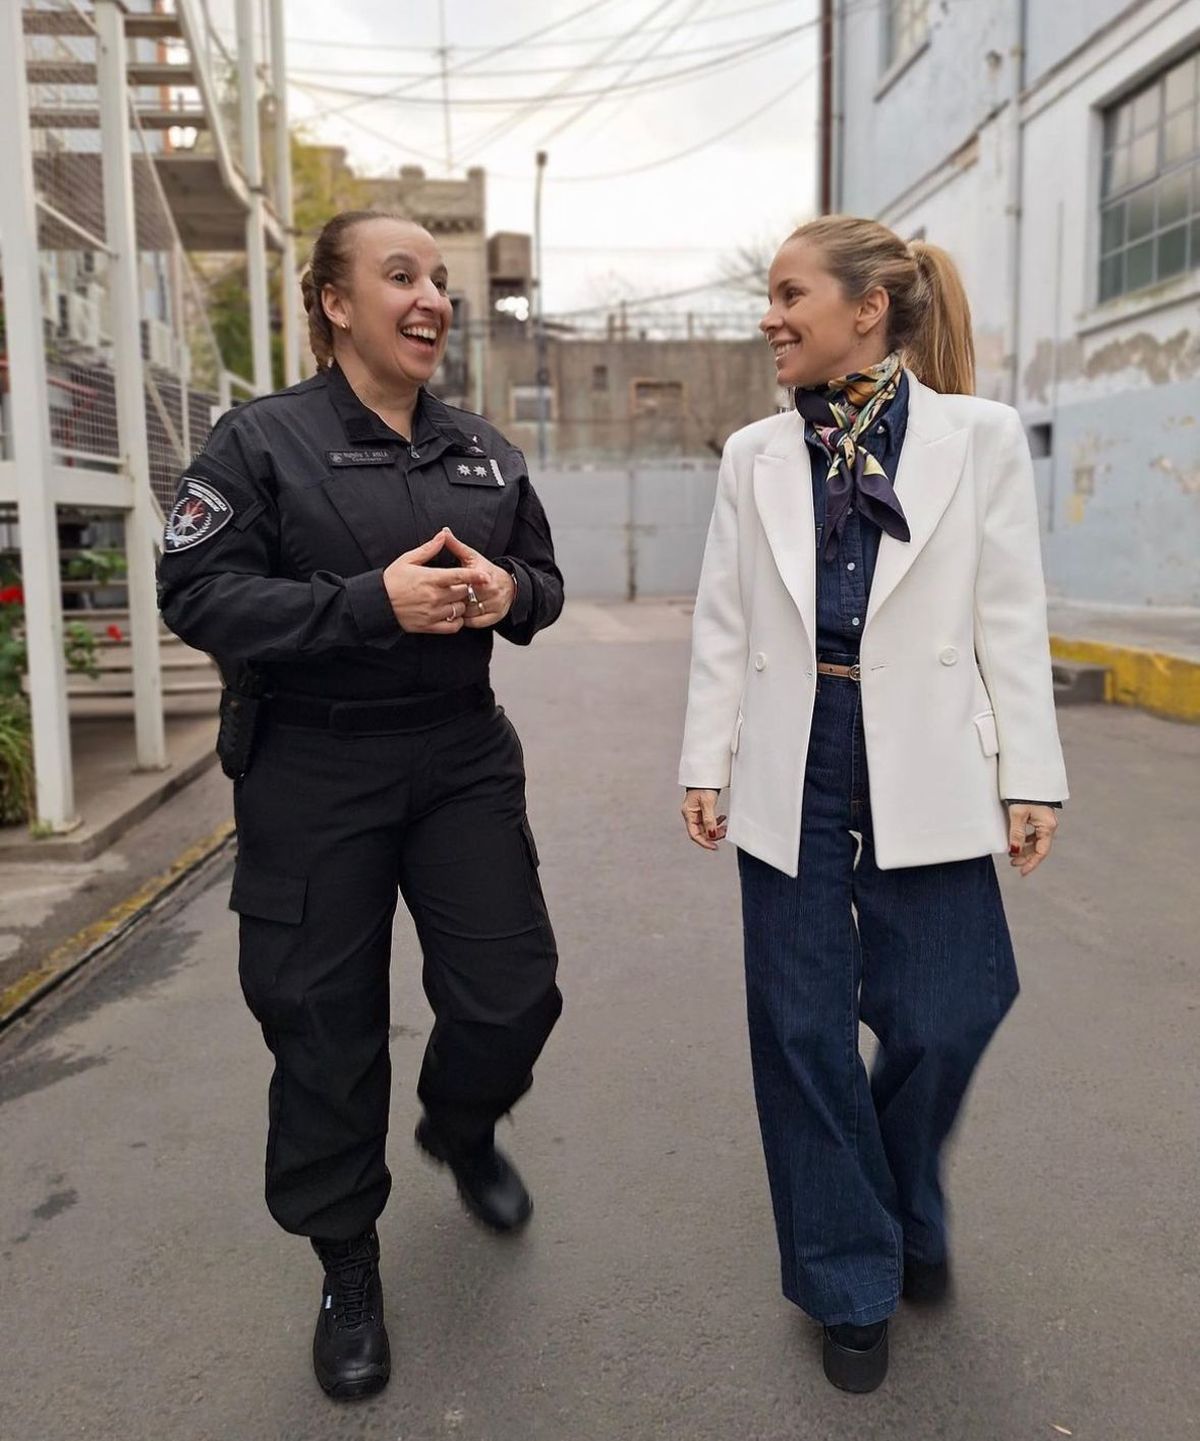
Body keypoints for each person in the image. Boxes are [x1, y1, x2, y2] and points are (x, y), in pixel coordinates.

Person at [158, 211, 563, 1402]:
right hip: (313, 766)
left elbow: (542, 584)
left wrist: (507, 590)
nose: (433, 296)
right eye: (403, 276)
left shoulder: (485, 453)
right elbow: (200, 593)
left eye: (440, 279)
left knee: (511, 993)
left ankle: (463, 1120)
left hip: (458, 756)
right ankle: (347, 1264)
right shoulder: (259, 444)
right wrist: (365, 605)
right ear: (336, 303)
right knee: (323, 1026)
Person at [678, 215, 1067, 1394]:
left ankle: (900, 1191)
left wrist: (1031, 771)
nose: (770, 316)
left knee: (952, 1003)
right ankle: (852, 1276)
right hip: (791, 750)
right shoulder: (754, 453)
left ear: (868, 308)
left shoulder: (978, 436)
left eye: (791, 293)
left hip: (930, 745)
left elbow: (1009, 609)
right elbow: (725, 619)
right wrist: (707, 758)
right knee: (801, 1031)